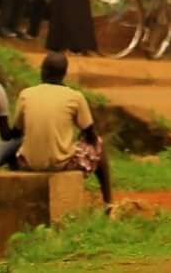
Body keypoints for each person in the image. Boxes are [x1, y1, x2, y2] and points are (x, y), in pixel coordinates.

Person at [17, 51, 113, 207]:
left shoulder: (26, 94)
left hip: (28, 162)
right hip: (60, 164)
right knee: (99, 147)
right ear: (64, 74)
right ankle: (108, 202)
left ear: (42, 70)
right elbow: (91, 134)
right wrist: (83, 136)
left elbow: (17, 130)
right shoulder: (74, 97)